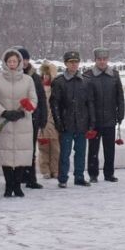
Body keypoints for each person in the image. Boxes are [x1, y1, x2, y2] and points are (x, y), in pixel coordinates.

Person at [0, 48, 37, 197]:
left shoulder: (28, 80)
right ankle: (9, 185)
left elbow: (33, 99)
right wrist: (3, 112)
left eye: (15, 61)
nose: (12, 64)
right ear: (5, 62)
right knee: (6, 155)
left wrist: (24, 111)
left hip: (22, 121)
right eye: (9, 61)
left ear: (19, 62)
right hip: (3, 120)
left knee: (21, 155)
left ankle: (18, 185)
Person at [50, 51, 95, 188]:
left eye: (76, 62)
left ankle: (79, 177)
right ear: (65, 64)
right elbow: (55, 104)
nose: (74, 64)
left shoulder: (86, 81)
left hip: (82, 122)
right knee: (65, 153)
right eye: (71, 62)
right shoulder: (59, 82)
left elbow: (90, 103)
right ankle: (63, 178)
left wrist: (92, 121)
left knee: (80, 152)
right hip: (66, 122)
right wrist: (58, 121)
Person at [85, 48, 125, 183]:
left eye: (104, 59)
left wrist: (121, 114)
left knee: (109, 149)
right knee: (93, 149)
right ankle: (93, 174)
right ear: (95, 60)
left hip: (109, 118)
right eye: (99, 59)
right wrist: (88, 117)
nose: (102, 62)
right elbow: (86, 100)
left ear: (107, 60)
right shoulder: (88, 75)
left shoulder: (114, 75)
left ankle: (109, 174)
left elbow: (120, 97)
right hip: (93, 120)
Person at [18, 47, 48, 189]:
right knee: (17, 149)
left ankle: (30, 177)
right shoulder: (12, 76)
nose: (23, 62)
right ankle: (18, 176)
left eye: (25, 59)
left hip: (33, 118)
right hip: (16, 118)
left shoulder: (34, 77)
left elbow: (41, 98)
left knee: (30, 149)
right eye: (20, 59)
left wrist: (43, 118)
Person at [37, 61, 61, 179]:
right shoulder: (39, 88)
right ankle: (45, 169)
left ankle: (55, 169)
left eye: (48, 74)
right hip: (43, 121)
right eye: (44, 74)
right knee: (43, 148)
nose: (46, 77)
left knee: (55, 148)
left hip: (54, 121)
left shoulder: (56, 87)